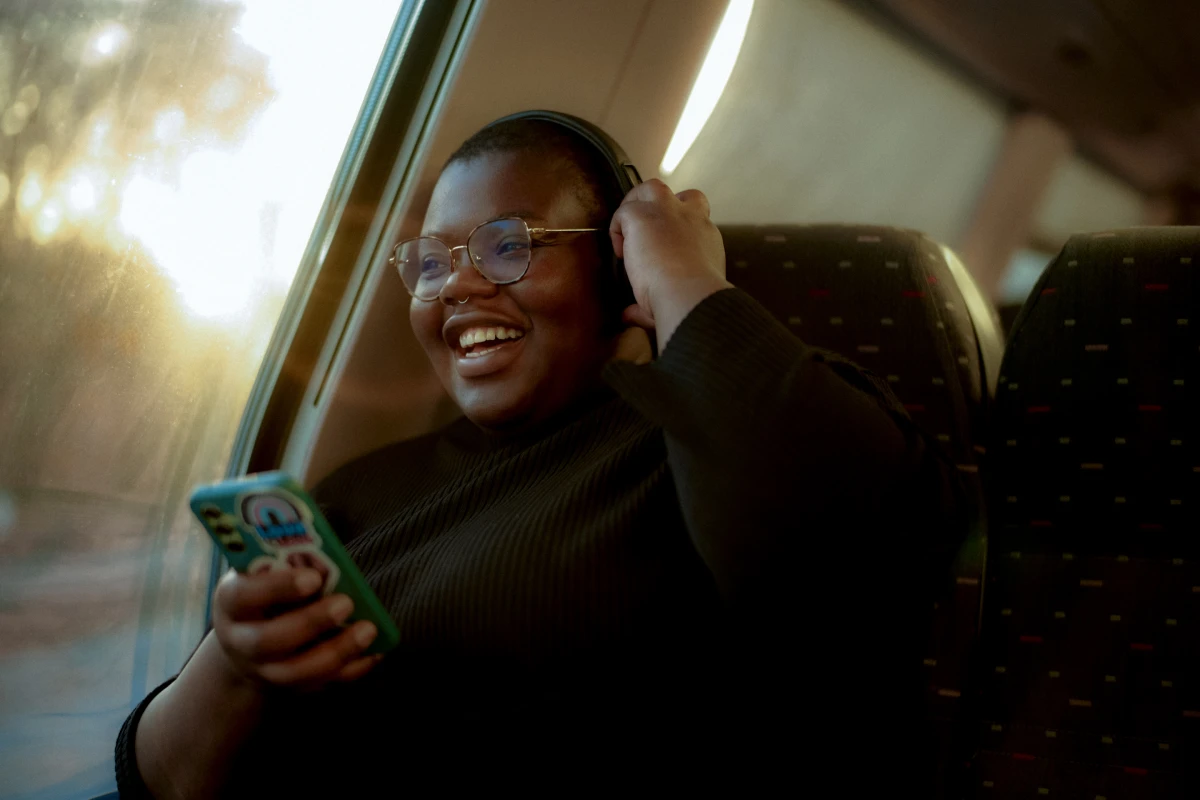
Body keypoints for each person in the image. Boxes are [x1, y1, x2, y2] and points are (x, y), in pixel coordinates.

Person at [116, 115, 965, 796]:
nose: (456, 285)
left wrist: (681, 279)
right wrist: (231, 667)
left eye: (507, 245)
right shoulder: (361, 492)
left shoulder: (722, 438)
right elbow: (155, 782)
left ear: (617, 261)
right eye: (432, 262)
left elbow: (854, 550)